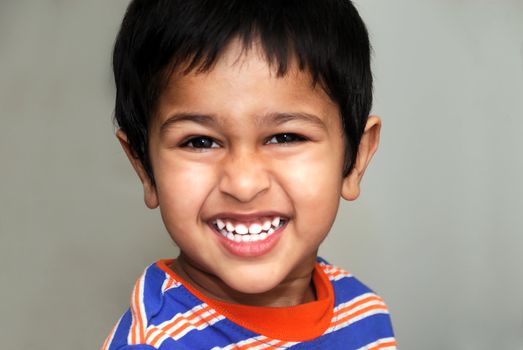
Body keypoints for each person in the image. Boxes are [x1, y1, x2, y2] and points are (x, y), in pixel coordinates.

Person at [102, 0, 396, 349]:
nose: (243, 184)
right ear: (144, 167)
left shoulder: (364, 312)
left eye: (286, 137)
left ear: (356, 157)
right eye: (200, 142)